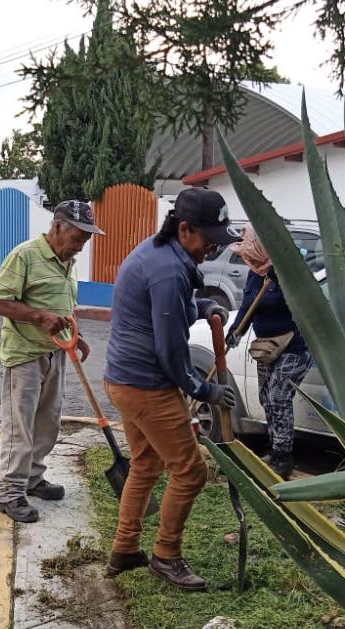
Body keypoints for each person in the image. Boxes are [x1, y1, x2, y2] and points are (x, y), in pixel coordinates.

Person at [102, 188, 239, 591]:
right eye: (209, 239)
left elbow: (167, 309)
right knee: (190, 470)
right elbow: (170, 349)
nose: (212, 248)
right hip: (147, 386)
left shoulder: (159, 253)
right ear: (184, 228)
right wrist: (203, 390)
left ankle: (125, 549)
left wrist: (203, 307)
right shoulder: (168, 269)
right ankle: (167, 555)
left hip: (124, 380)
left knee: (145, 464)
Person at [0, 200, 103, 523]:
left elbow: (62, 306)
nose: (81, 245)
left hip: (55, 352)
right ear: (57, 227)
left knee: (48, 422)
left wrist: (73, 336)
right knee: (19, 426)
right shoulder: (25, 255)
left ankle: (33, 477)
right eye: (78, 237)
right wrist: (40, 317)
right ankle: (10, 494)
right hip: (24, 355)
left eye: (86, 239)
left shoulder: (68, 260)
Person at [225, 223, 311, 479]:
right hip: (267, 348)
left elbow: (302, 304)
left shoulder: (287, 272)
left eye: (250, 251)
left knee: (277, 396)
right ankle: (274, 451)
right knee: (266, 398)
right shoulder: (255, 273)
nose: (246, 257)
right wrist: (236, 330)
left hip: (293, 346)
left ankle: (284, 457)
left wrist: (281, 281)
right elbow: (248, 305)